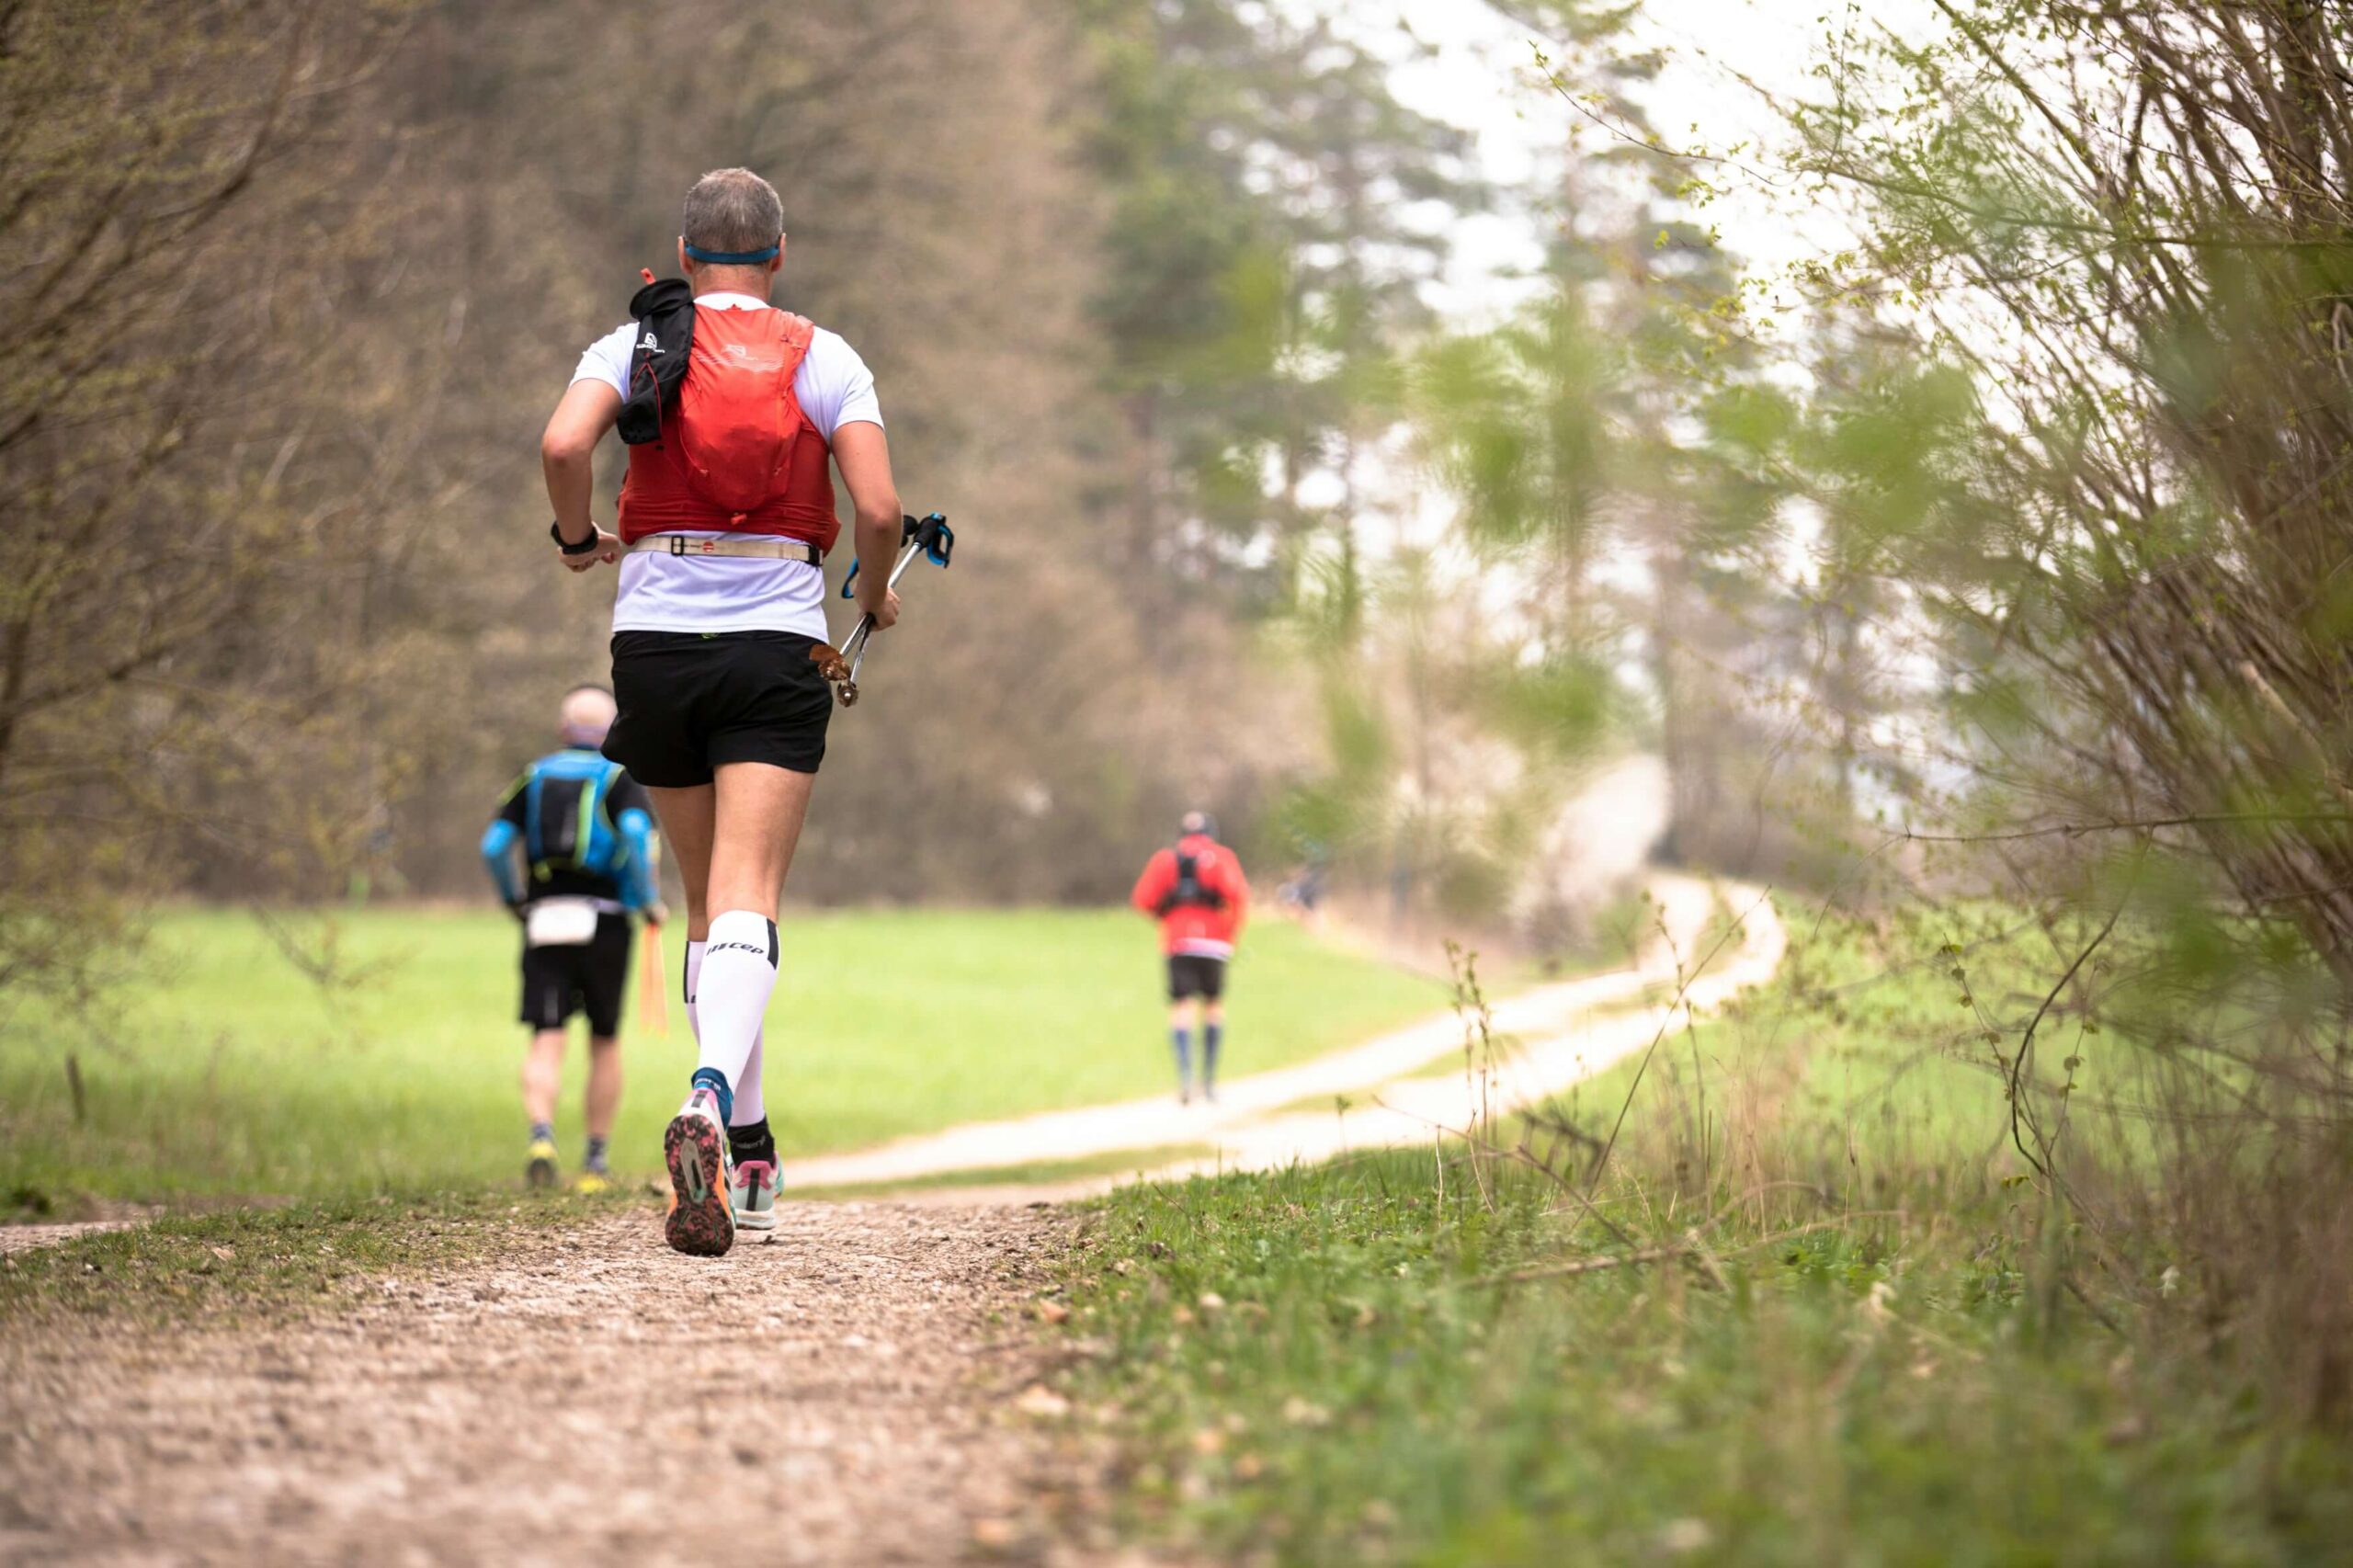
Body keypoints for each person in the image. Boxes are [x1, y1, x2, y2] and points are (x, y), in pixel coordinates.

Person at [538, 166, 907, 1256]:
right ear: (778, 254)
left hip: (653, 642)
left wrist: (575, 542)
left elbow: (564, 448)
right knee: (750, 895)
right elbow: (877, 507)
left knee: (706, 901)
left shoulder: (634, 346)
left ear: (686, 254)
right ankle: (707, 1094)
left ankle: (749, 1148)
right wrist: (876, 592)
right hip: (775, 642)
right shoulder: (826, 355)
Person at [479, 686, 664, 1192]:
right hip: (605, 920)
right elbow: (634, 833)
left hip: (543, 918)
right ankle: (595, 1164)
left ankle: (541, 1137)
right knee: (603, 1041)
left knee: (547, 1035)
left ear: (564, 730)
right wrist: (647, 899)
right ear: (611, 733)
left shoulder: (533, 776)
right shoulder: (618, 778)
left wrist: (513, 900)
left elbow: (494, 845)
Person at [1130, 811, 1250, 1103]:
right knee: (1212, 1006)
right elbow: (1238, 898)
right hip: (1214, 944)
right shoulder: (1222, 857)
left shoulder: (1165, 860)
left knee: (1180, 1008)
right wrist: (1229, 934)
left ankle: (1185, 1078)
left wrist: (1166, 915)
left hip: (1178, 942)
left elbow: (1142, 900)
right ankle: (1209, 1081)